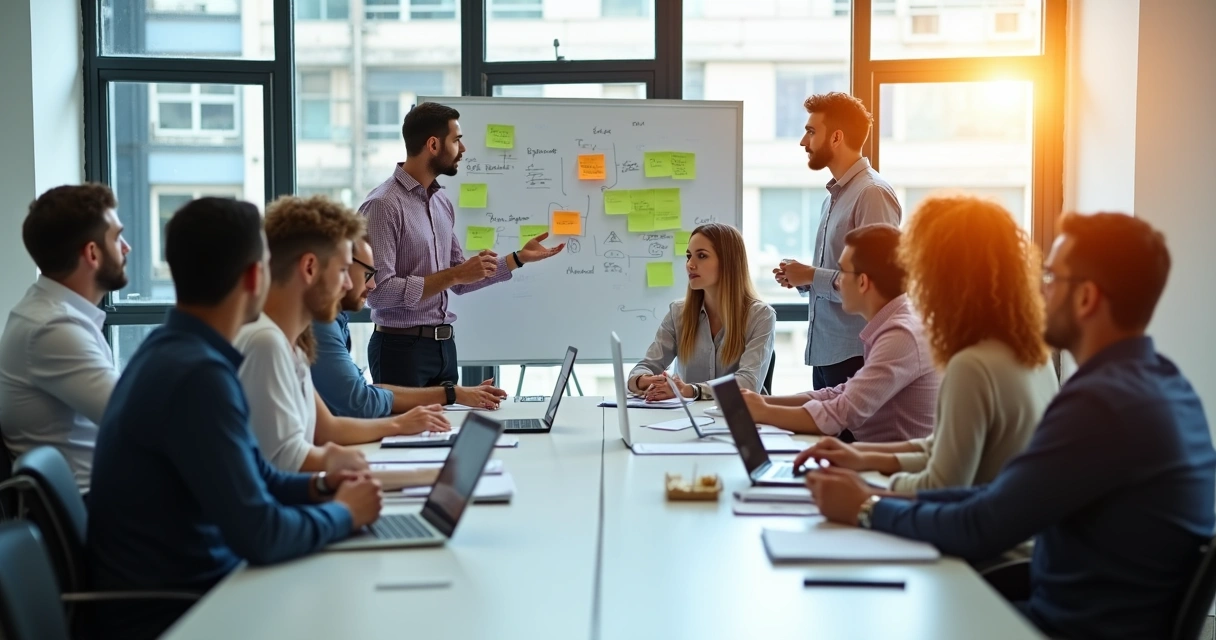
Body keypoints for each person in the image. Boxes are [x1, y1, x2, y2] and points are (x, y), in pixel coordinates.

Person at [807, 213, 1216, 640]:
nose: (1039, 288)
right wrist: (874, 493)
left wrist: (867, 509)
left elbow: (982, 526)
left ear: (1086, 298)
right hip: (1074, 607)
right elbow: (998, 496)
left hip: (1062, 625)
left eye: (1052, 276)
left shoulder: (1102, 405)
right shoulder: (1160, 385)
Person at [86, 197, 382, 640]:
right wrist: (344, 514)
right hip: (183, 613)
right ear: (254, 277)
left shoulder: (171, 349)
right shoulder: (198, 375)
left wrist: (322, 485)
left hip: (200, 589)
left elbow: (256, 473)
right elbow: (260, 534)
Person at [796, 195, 1058, 491]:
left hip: (973, 532)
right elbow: (940, 449)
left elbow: (940, 484)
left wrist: (865, 494)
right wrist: (857, 455)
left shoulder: (972, 366)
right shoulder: (1031, 352)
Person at [235, 195, 451, 474]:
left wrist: (401, 429)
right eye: (341, 270)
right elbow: (284, 468)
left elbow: (325, 429)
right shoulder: (266, 343)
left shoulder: (294, 344)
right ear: (310, 268)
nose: (348, 283)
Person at [359, 101, 565, 388]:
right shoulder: (383, 206)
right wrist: (455, 275)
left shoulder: (440, 201)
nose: (463, 149)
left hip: (443, 347)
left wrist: (517, 259)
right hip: (399, 349)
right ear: (433, 144)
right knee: (406, 434)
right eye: (456, 140)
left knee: (449, 431)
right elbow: (378, 293)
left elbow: (460, 278)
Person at [743, 224, 938, 441]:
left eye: (842, 271)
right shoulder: (893, 323)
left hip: (890, 470)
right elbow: (838, 393)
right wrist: (761, 402)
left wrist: (762, 411)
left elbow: (840, 413)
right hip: (876, 460)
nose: (837, 280)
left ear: (862, 282)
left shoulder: (901, 335)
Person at [0, 184, 129, 491]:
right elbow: (136, 417)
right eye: (116, 237)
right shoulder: (53, 327)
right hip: (98, 510)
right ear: (92, 253)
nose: (126, 247)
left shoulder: (51, 315)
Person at [772, 92, 901, 390]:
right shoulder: (833, 197)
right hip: (826, 353)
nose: (803, 142)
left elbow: (878, 285)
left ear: (836, 137)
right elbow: (843, 274)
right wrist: (802, 278)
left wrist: (811, 275)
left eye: (811, 131)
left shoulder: (872, 193)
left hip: (855, 355)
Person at [311, 235, 508, 418]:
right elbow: (359, 402)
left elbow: (359, 395)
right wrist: (450, 394)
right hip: (402, 346)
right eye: (366, 273)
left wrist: (455, 393)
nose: (373, 285)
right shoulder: (319, 325)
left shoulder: (336, 319)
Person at [628, 223, 775, 401]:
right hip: (686, 421)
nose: (690, 264)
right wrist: (645, 380)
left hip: (740, 420)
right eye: (689, 256)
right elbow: (647, 365)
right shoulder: (678, 312)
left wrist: (691, 390)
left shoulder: (761, 315)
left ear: (728, 262)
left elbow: (748, 382)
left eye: (702, 256)